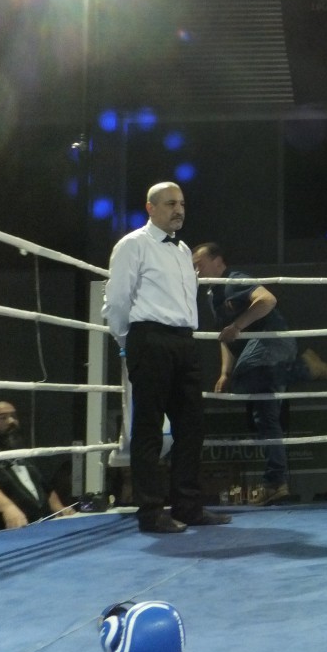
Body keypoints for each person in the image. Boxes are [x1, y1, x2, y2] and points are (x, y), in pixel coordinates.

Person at [102, 181, 231, 533]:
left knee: (191, 427)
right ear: (150, 208)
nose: (178, 210)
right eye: (170, 203)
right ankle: (150, 512)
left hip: (184, 342)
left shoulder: (182, 249)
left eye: (182, 203)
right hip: (150, 338)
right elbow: (116, 300)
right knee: (148, 430)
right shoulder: (133, 245)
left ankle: (188, 506)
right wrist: (127, 341)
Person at [191, 242, 327, 506]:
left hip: (272, 342)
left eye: (199, 264)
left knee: (246, 376)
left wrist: (238, 325)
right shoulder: (212, 296)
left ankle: (307, 368)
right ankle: (276, 484)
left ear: (218, 262)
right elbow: (226, 337)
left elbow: (268, 300)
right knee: (265, 419)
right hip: (259, 353)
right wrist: (225, 372)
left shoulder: (234, 280)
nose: (195, 271)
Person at [0, 400, 75, 530]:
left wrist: (60, 509)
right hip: (5, 533)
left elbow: (45, 488)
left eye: (14, 416)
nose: (11, 422)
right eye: (2, 417)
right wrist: (7, 507)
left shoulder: (23, 453)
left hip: (41, 528)